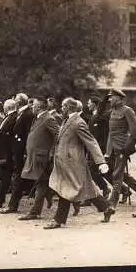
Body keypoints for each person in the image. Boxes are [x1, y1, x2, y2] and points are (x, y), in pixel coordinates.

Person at [44, 97, 115, 229]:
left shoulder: (78, 122)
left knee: (65, 190)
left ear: (68, 107)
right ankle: (106, 207)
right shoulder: (68, 120)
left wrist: (101, 162)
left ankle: (58, 220)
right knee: (84, 188)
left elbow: (91, 142)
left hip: (73, 164)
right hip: (66, 163)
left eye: (63, 107)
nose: (61, 109)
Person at [17, 98, 59, 220]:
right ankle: (42, 203)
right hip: (36, 156)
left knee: (41, 182)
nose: (32, 107)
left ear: (39, 106)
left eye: (34, 105)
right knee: (41, 182)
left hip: (42, 157)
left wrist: (51, 152)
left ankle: (35, 211)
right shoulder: (39, 117)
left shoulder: (48, 118)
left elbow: (58, 134)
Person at [105, 89, 136, 209]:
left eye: (111, 97)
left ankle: (112, 203)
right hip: (113, 149)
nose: (109, 99)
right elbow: (111, 134)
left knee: (117, 175)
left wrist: (127, 147)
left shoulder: (127, 111)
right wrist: (107, 152)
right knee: (119, 174)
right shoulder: (112, 111)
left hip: (122, 149)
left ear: (118, 98)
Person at [0, 93, 35, 213]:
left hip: (21, 152)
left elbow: (28, 135)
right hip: (17, 151)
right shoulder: (22, 113)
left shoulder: (27, 114)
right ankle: (13, 205)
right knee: (18, 179)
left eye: (16, 99)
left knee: (18, 179)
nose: (14, 101)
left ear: (19, 101)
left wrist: (25, 151)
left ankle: (12, 206)